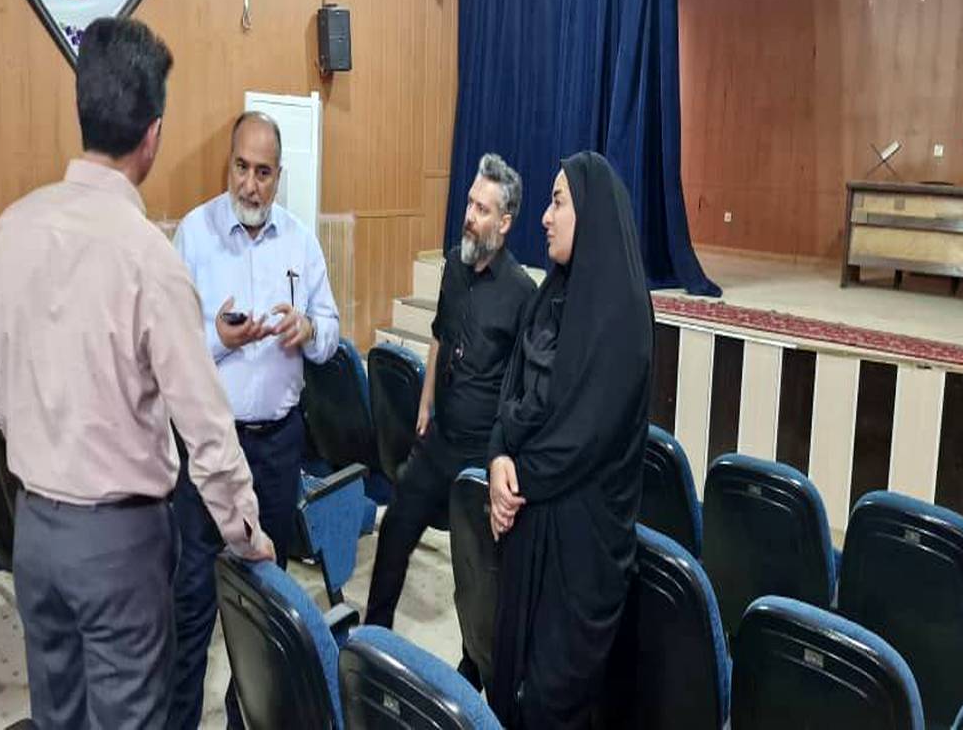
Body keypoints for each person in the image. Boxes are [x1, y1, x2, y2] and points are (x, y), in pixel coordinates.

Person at [0, 18, 273, 730]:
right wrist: (244, 532)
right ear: (152, 135)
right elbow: (207, 432)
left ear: (83, 110)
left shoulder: (10, 229)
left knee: (58, 716)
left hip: (33, 529)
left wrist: (51, 423)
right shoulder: (150, 259)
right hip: (120, 547)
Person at [168, 110, 341, 729]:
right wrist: (218, 338)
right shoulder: (193, 235)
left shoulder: (300, 241)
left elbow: (331, 332)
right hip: (208, 445)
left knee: (263, 607)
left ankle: (245, 720)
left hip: (277, 447)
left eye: (263, 173)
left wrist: (309, 329)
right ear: (229, 163)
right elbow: (167, 346)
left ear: (278, 176)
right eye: (241, 167)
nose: (250, 184)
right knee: (192, 600)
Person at [487, 152, 653, 729]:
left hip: (581, 552)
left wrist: (514, 480)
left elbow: (583, 437)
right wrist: (497, 457)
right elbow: (509, 389)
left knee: (551, 706)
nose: (545, 217)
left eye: (558, 202)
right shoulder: (549, 295)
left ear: (593, 213)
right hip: (528, 524)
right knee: (509, 690)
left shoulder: (623, 317)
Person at [364, 153, 535, 682]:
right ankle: (373, 636)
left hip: (481, 456)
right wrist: (425, 402)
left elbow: (524, 387)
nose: (469, 216)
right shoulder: (455, 267)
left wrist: (507, 456)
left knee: (474, 571)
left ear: (504, 223)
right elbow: (439, 335)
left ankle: (472, 670)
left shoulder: (522, 294)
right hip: (439, 441)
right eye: (469, 203)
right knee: (395, 527)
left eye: (482, 209)